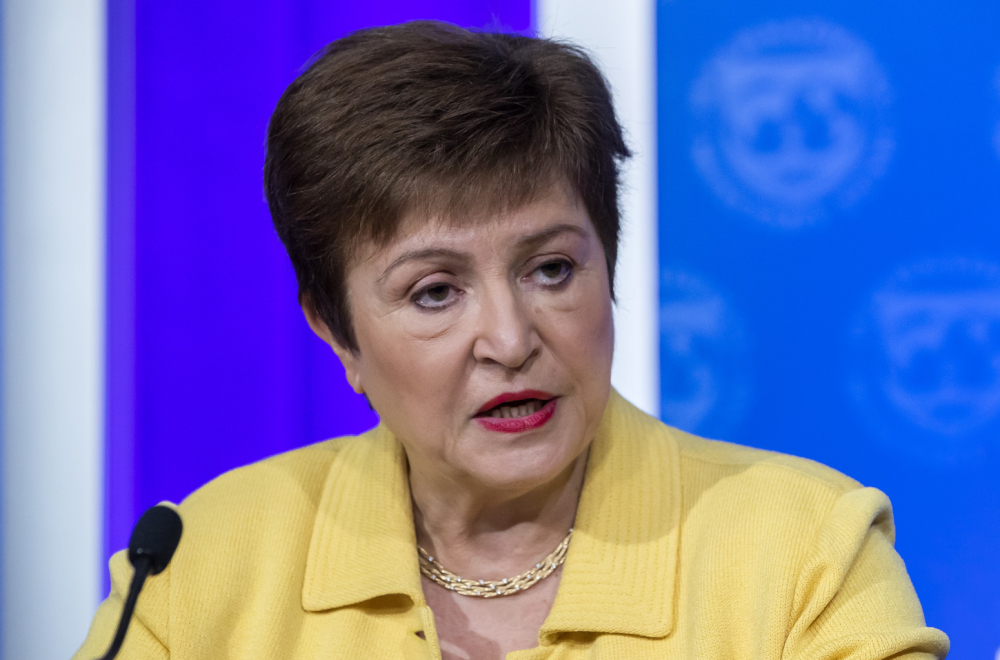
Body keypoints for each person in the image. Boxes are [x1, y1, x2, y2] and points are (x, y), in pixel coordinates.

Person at [74, 21, 948, 660]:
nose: (509, 338)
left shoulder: (803, 553)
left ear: (610, 267)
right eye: (435, 292)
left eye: (551, 270)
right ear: (336, 332)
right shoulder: (199, 569)